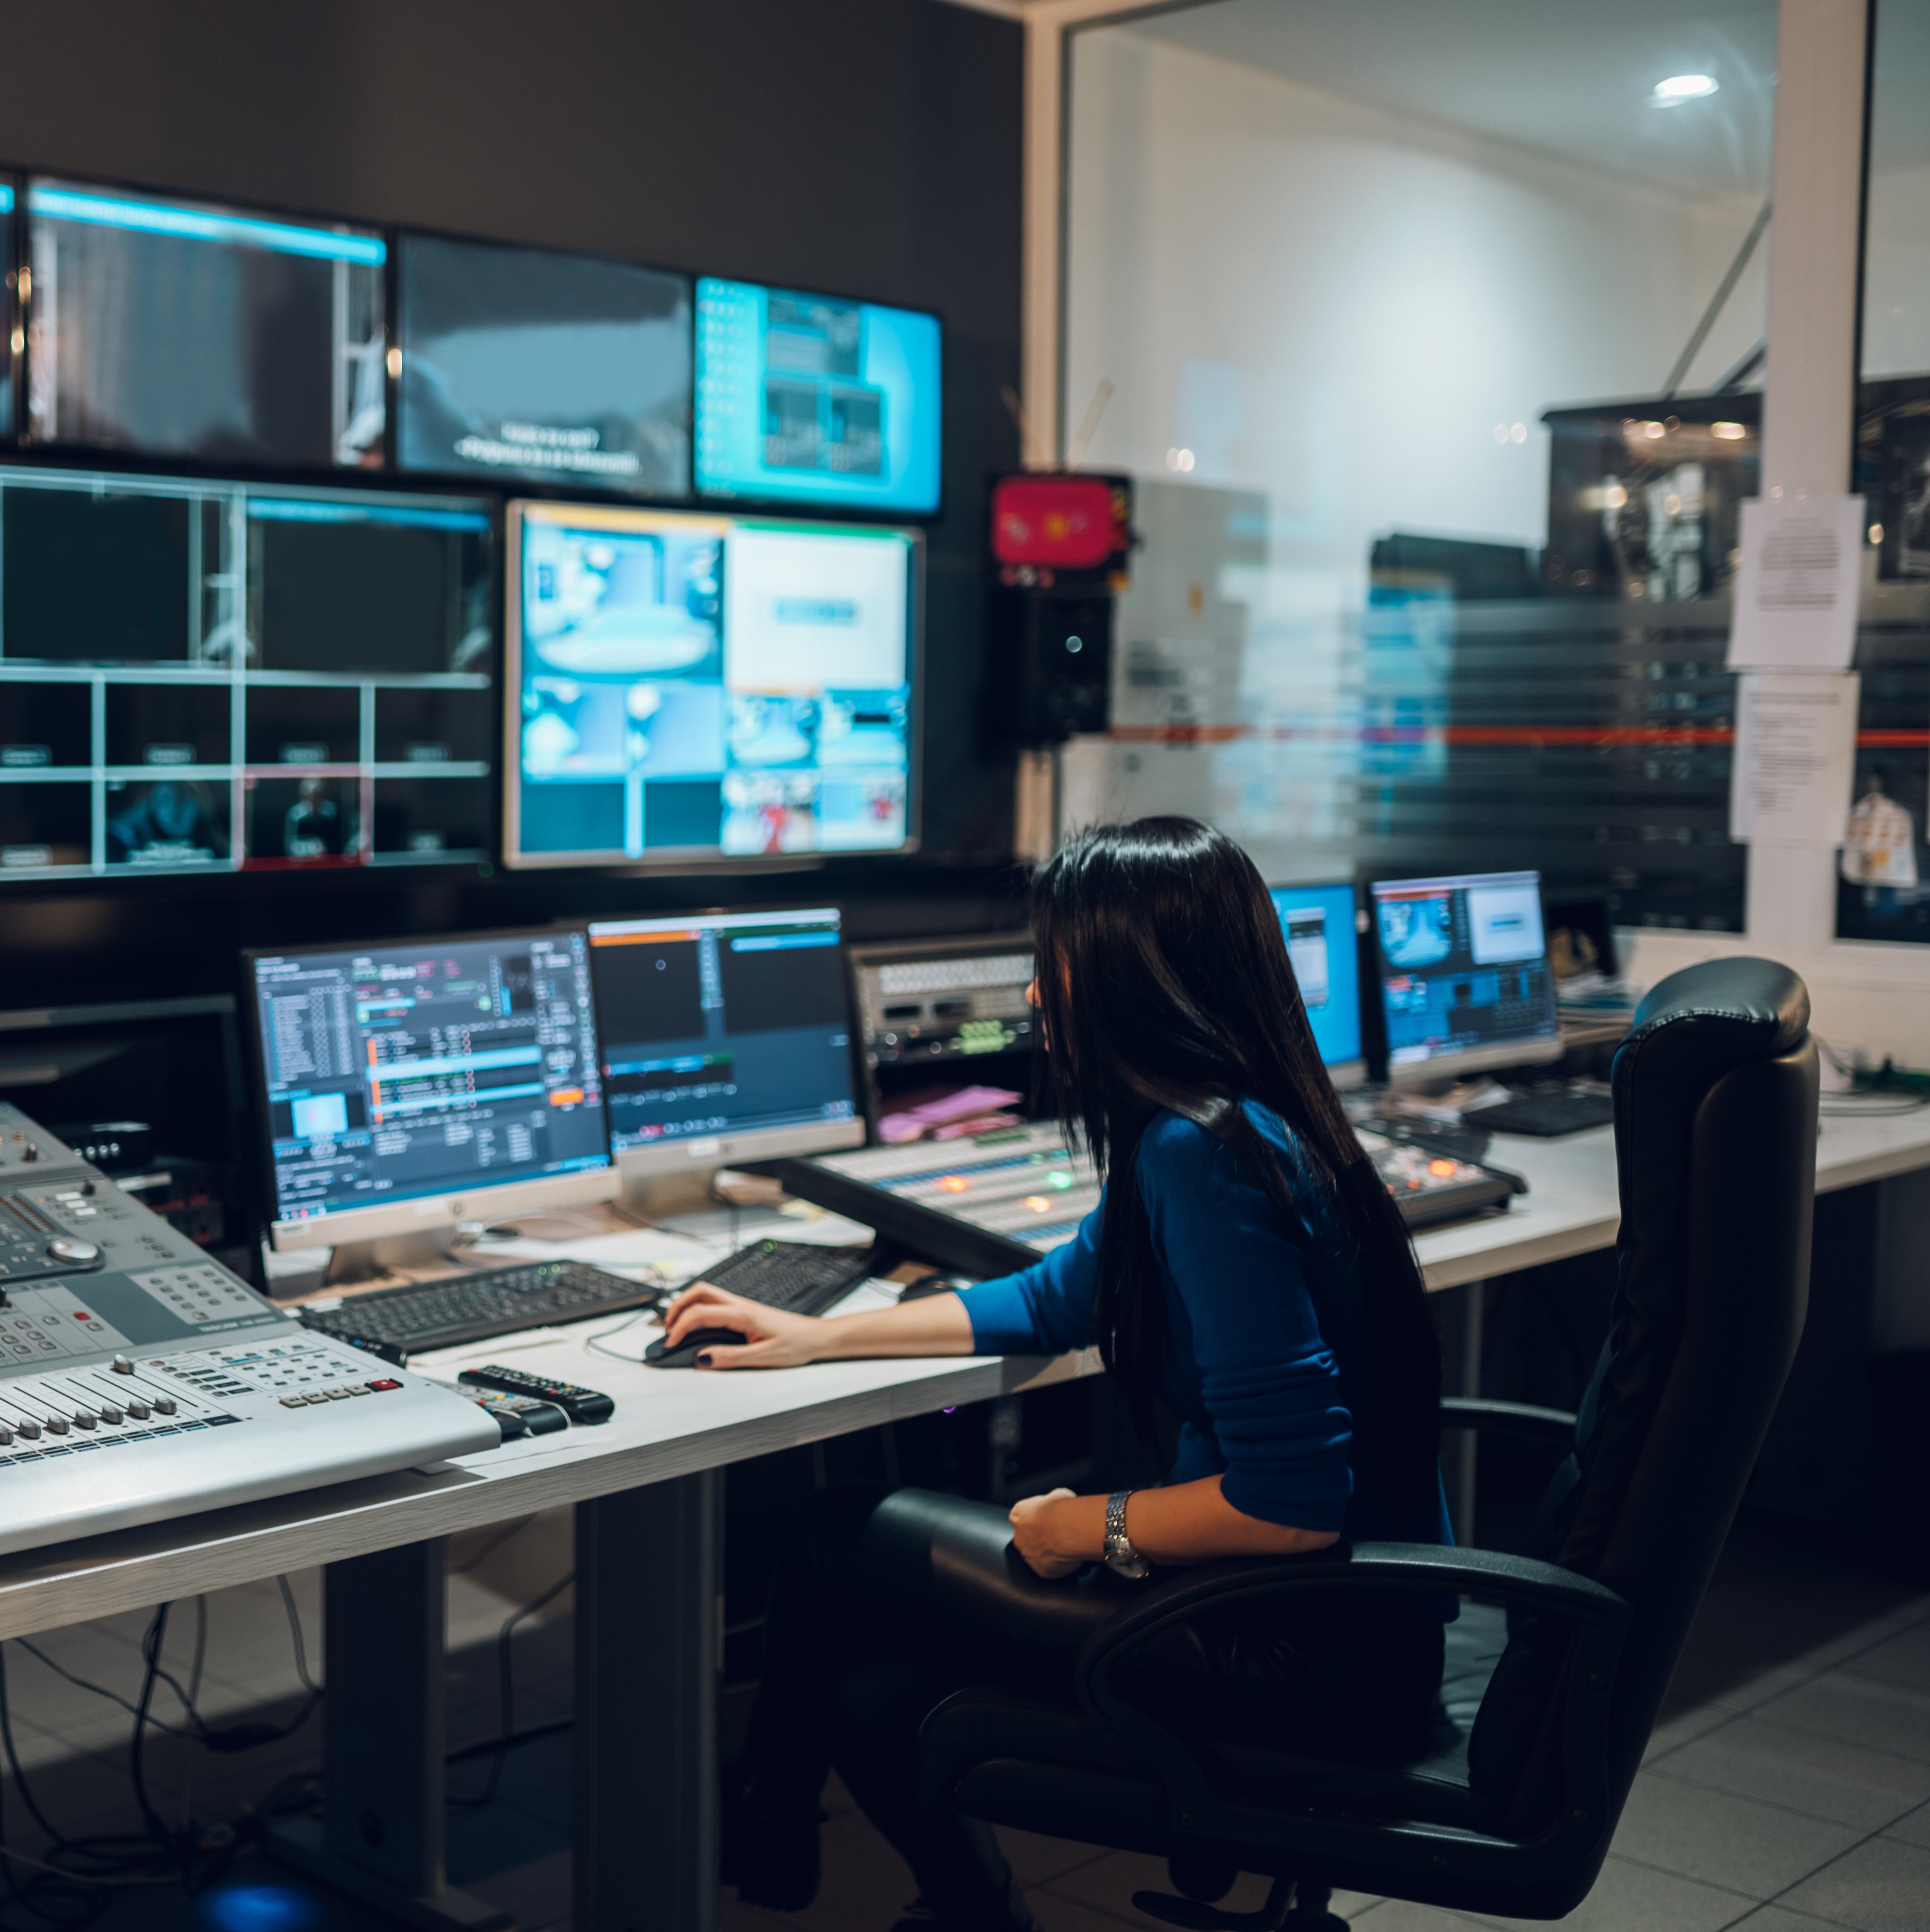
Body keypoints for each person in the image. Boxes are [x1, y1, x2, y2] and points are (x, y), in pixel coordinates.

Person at [659, 817, 1451, 1932]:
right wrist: (809, 1333)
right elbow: (1052, 1298)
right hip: (1355, 1625)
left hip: (1296, 1644)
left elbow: (1289, 1508)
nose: (1037, 995)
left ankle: (765, 1820)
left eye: (1055, 962)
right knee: (872, 1691)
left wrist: (1090, 1525)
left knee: (838, 1538)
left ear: (1135, 978)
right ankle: (877, 1868)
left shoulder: (1198, 1154)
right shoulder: (1243, 1125)